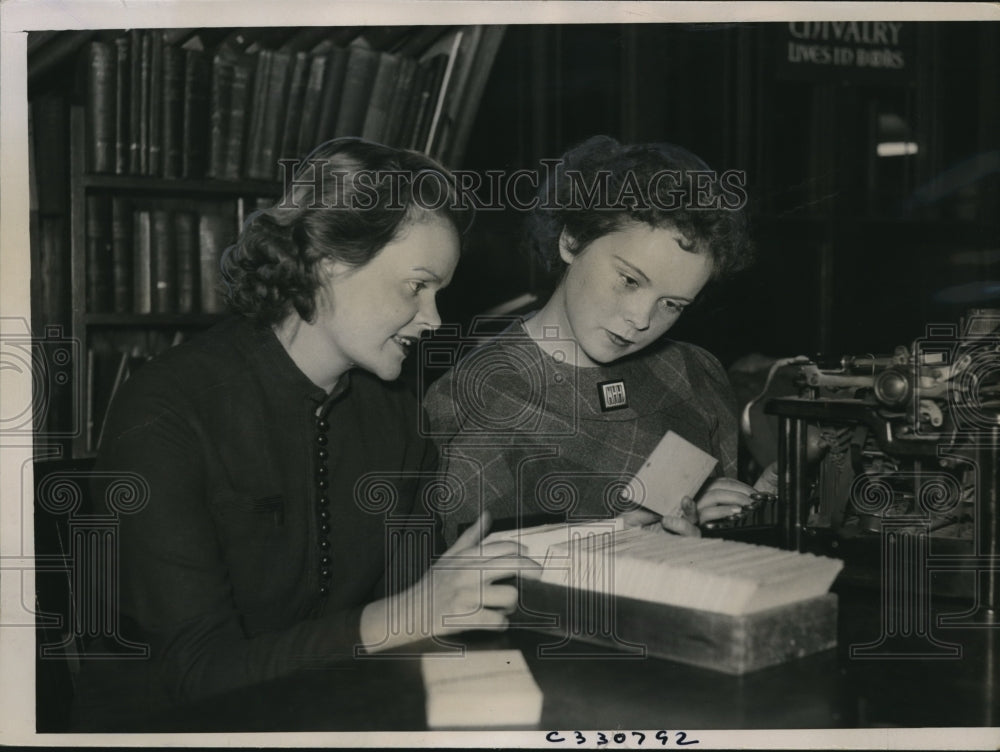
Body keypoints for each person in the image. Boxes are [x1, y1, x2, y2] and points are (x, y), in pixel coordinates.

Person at [72, 138, 536, 730]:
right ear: (327, 262)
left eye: (439, 293)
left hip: (328, 715)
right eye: (416, 286)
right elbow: (197, 677)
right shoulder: (165, 411)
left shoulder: (394, 414)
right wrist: (408, 614)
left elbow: (414, 611)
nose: (435, 319)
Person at [424, 135, 770, 545]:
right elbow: (453, 583)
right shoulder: (476, 397)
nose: (641, 320)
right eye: (628, 280)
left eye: (672, 304)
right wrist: (637, 543)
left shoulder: (696, 375)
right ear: (572, 240)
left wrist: (744, 514)